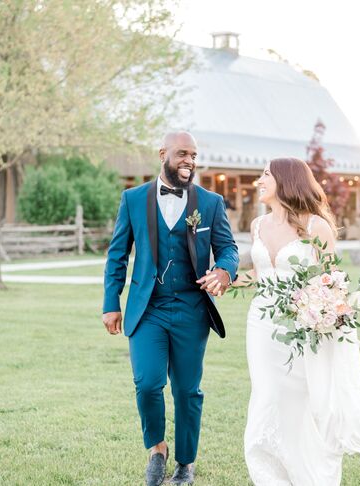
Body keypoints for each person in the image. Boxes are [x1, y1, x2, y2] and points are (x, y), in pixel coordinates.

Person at [243, 157, 360, 485]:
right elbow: (260, 273)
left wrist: (328, 313)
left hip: (300, 326)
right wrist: (226, 277)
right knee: (266, 394)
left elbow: (330, 281)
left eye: (266, 175)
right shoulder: (258, 225)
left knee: (301, 402)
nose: (259, 180)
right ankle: (268, 474)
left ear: (285, 180)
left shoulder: (317, 227)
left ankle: (309, 473)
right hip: (261, 322)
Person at [102, 132, 239, 485]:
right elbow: (117, 254)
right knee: (147, 383)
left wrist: (224, 271)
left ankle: (185, 463)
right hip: (147, 309)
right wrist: (110, 303)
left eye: (193, 155)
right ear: (163, 154)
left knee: (186, 390)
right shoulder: (133, 199)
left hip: (192, 310)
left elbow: (228, 249)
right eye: (182, 154)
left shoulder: (209, 202)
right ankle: (157, 450)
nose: (189, 161)